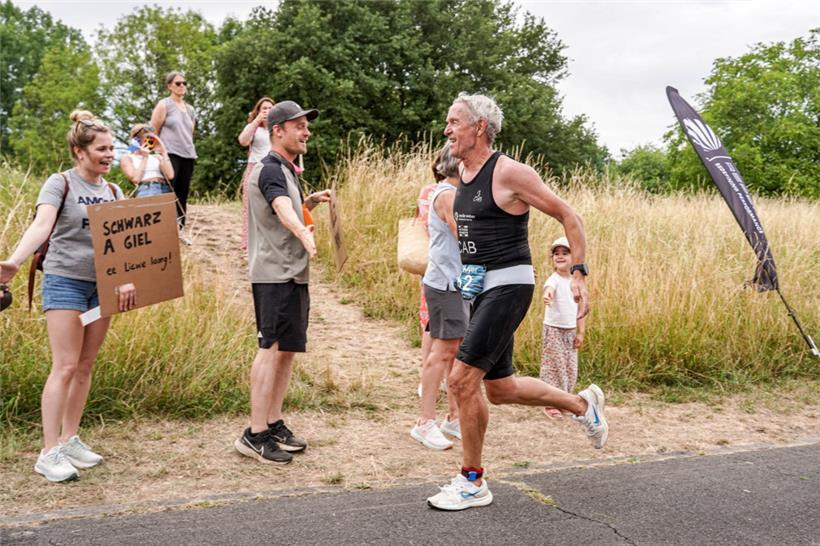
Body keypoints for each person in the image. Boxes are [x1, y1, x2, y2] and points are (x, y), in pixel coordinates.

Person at [426, 93, 608, 511]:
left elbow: (569, 216)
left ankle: (472, 481)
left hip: (509, 286)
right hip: (479, 289)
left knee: (460, 380)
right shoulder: (463, 176)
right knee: (501, 389)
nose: (447, 129)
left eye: (454, 122)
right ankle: (583, 405)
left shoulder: (509, 173)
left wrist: (578, 275)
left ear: (479, 128)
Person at [0, 110, 136, 482]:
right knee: (64, 366)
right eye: (102, 149)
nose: (110, 155)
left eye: (112, 148)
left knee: (85, 365)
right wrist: (14, 261)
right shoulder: (59, 184)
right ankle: (49, 452)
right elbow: (42, 224)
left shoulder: (114, 191)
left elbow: (123, 244)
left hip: (102, 286)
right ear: (79, 151)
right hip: (65, 282)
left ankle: (70, 437)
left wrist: (125, 279)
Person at [234, 100, 331, 465]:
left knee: (287, 350)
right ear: (278, 131)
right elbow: (281, 210)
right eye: (299, 126)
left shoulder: (288, 171)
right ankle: (255, 434)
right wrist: (305, 235)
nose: (306, 132)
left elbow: (288, 206)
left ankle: (274, 423)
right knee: (270, 349)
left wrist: (311, 202)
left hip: (293, 273)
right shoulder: (270, 168)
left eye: (307, 126)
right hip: (274, 273)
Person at [411, 143, 464, 450]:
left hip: (452, 283)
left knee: (455, 352)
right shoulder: (446, 195)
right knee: (442, 353)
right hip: (445, 284)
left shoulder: (455, 193)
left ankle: (453, 418)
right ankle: (425, 422)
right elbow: (465, 235)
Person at [541, 236, 586, 418]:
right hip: (554, 329)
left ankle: (565, 400)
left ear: (574, 258)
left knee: (569, 367)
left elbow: (581, 309)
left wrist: (581, 332)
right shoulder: (554, 279)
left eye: (565, 253)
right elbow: (548, 289)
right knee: (554, 367)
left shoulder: (577, 283)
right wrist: (547, 295)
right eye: (556, 253)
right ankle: (550, 403)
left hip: (570, 330)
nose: (559, 256)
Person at [150, 70, 196, 245]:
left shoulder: (190, 109)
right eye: (178, 83)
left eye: (184, 83)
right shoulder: (164, 104)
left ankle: (180, 230)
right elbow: (152, 129)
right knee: (169, 191)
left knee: (182, 194)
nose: (182, 86)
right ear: (169, 86)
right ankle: (164, 231)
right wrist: (150, 153)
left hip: (188, 154)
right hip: (169, 153)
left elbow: (189, 132)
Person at [238, 96, 275, 251]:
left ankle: (268, 241)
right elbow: (243, 141)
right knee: (250, 205)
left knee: (271, 205)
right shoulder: (255, 128)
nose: (267, 111)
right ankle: (248, 242)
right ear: (258, 111)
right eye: (264, 108)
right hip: (254, 167)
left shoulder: (277, 128)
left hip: (272, 168)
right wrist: (256, 121)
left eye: (270, 108)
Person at [120, 123, 175, 198]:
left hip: (165, 188)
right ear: (137, 140)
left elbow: (170, 175)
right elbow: (136, 179)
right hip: (147, 189)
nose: (150, 141)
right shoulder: (128, 158)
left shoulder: (157, 157)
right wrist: (144, 157)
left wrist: (164, 152)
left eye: (152, 139)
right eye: (148, 138)